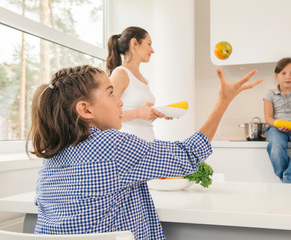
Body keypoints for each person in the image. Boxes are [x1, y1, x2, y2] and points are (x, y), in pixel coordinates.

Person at [27, 65, 262, 238]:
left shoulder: (50, 158)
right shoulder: (112, 146)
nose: (119, 101)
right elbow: (188, 154)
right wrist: (223, 101)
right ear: (85, 109)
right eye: (111, 93)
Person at [106, 26, 166, 141]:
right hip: (128, 146)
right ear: (134, 43)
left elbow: (141, 118)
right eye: (149, 44)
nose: (152, 50)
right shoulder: (120, 74)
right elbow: (108, 115)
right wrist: (138, 113)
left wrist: (157, 113)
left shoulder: (143, 80)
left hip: (147, 143)